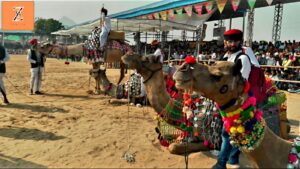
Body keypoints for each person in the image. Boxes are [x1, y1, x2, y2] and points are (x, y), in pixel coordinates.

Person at [214, 29, 254, 169]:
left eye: (233, 41)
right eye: (228, 41)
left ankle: (221, 163)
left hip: (238, 103)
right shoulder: (224, 58)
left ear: (239, 42)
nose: (230, 44)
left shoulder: (242, 59)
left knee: (229, 133)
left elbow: (242, 84)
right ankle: (232, 159)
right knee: (229, 133)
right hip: (224, 103)